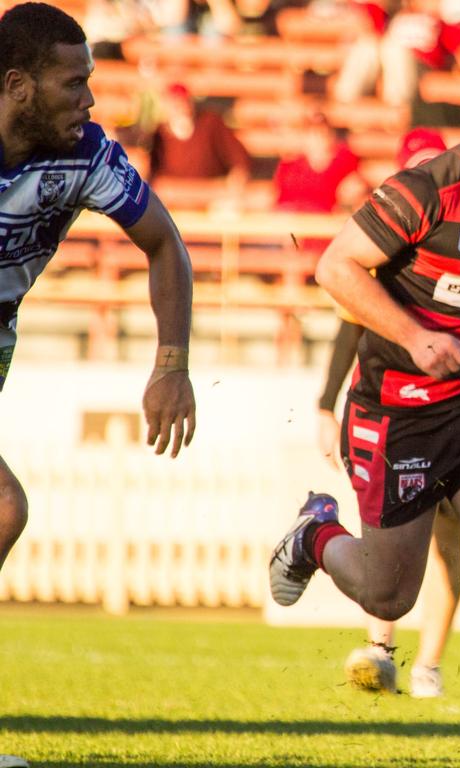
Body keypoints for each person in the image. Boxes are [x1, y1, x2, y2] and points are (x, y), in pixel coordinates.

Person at [269, 50, 460, 765]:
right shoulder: (425, 191)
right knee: (389, 597)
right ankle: (315, 534)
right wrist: (414, 334)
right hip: (398, 409)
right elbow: (334, 267)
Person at [0, 4, 196, 766]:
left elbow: (163, 244)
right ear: (17, 85)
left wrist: (171, 365)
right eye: (72, 82)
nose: (90, 99)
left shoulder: (84, 153)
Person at [313, 126, 460, 698]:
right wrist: (325, 407)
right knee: (388, 544)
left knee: (448, 547)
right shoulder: (378, 250)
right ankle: (381, 649)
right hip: (391, 414)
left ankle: (429, 662)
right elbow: (348, 325)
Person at [147, 81, 252, 201]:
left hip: (211, 197)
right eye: (174, 103)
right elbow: (151, 171)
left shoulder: (210, 123)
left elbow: (239, 160)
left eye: (183, 101)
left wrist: (234, 186)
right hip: (173, 200)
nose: (180, 106)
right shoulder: (159, 134)